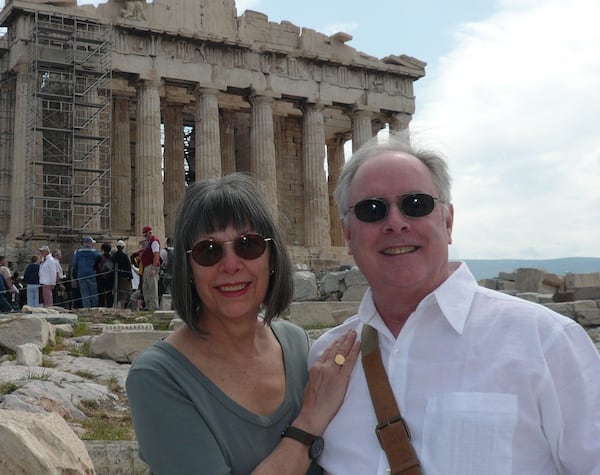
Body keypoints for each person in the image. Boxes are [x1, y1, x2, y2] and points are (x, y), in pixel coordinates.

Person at [308, 133, 600, 475]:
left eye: (416, 204)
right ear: (347, 234)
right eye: (372, 210)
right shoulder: (326, 361)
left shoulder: (546, 343)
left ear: (447, 221)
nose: (396, 222)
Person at [126, 173, 360, 475]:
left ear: (272, 257)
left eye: (248, 245)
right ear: (188, 269)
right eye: (208, 251)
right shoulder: (156, 377)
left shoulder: (296, 344)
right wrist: (309, 422)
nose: (231, 265)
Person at [71, 237, 101, 308]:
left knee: (84, 294)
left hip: (81, 274)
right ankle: (94, 308)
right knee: (94, 293)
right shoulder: (94, 252)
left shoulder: (78, 252)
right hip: (91, 274)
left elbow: (74, 264)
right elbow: (100, 259)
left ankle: (86, 308)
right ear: (90, 243)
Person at [139, 225, 161, 311]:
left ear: (150, 233)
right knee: (146, 286)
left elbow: (156, 255)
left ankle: (154, 305)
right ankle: (148, 305)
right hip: (146, 266)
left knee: (152, 286)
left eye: (146, 234)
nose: (145, 236)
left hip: (151, 265)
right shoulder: (148, 242)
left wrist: (153, 268)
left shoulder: (154, 241)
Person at [112, 240, 133, 309]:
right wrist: (130, 277)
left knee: (116, 292)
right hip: (124, 277)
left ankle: (116, 307)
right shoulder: (125, 256)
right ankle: (122, 307)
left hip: (116, 277)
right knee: (123, 293)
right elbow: (128, 266)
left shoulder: (114, 256)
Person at [95, 242, 115, 308]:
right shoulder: (112, 258)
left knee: (100, 293)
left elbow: (94, 267)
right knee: (109, 293)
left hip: (100, 277)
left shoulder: (98, 258)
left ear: (102, 249)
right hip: (109, 278)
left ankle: (101, 306)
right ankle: (109, 306)